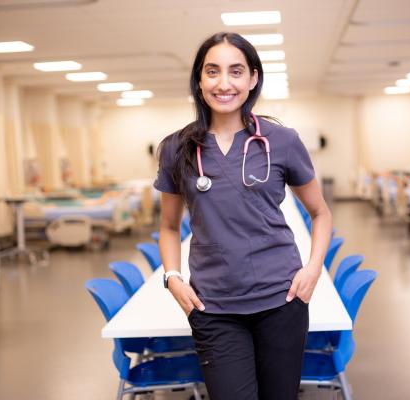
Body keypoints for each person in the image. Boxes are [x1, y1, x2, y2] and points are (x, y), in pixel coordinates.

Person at [153, 32, 333, 400]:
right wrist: (172, 278)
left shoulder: (281, 140)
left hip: (281, 299)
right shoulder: (176, 148)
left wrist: (313, 267)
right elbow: (169, 227)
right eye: (212, 72)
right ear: (199, 80)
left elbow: (321, 213)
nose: (223, 83)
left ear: (253, 78)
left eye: (235, 72)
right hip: (213, 306)